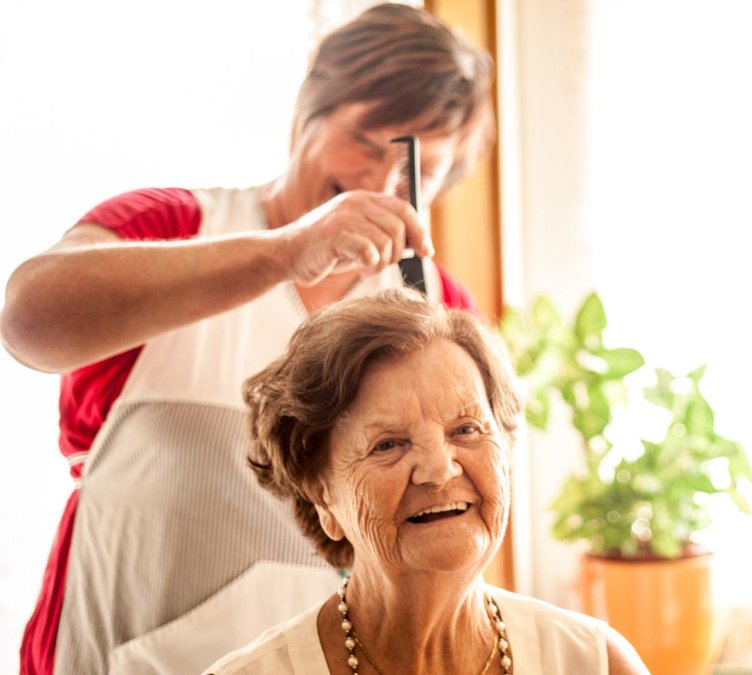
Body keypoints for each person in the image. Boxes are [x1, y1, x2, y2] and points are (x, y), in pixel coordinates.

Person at [0, 5, 493, 673]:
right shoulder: (174, 227)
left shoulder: (437, 308)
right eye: (366, 142)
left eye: (417, 169)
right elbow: (27, 317)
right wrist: (285, 252)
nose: (382, 184)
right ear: (305, 115)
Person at [205, 288, 648, 675]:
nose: (440, 469)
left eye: (466, 430)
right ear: (322, 496)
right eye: (388, 444)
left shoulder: (596, 664)